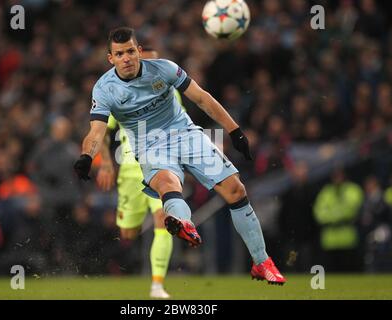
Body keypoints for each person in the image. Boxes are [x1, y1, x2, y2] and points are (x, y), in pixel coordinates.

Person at [74, 27, 286, 285]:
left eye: (130, 51)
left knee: (236, 190)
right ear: (111, 58)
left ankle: (261, 262)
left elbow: (203, 99)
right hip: (150, 146)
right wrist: (87, 156)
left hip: (186, 134)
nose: (126, 58)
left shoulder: (163, 69)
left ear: (139, 51)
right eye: (119, 54)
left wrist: (235, 131)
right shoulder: (105, 89)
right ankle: (183, 223)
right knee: (167, 185)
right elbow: (96, 131)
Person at [95, 47, 178, 298]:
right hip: (130, 172)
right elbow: (102, 132)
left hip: (160, 167)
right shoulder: (118, 92)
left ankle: (157, 285)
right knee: (127, 233)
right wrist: (107, 164)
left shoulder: (171, 92)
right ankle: (113, 267)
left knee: (163, 220)